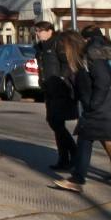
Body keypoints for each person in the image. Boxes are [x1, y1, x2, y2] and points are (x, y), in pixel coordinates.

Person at [54, 28, 111, 200]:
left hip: (108, 110)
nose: (60, 52)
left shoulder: (92, 58)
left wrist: (93, 103)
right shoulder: (82, 61)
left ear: (70, 46)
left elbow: (103, 81)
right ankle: (77, 179)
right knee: (84, 142)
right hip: (97, 111)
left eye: (62, 48)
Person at [33, 20, 77, 171]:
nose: (37, 33)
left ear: (49, 30)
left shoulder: (57, 43)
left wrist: (61, 79)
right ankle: (64, 158)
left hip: (59, 88)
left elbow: (67, 64)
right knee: (55, 123)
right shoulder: (40, 48)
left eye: (39, 30)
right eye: (37, 31)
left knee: (56, 122)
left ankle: (73, 154)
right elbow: (41, 66)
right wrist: (42, 80)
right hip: (48, 89)